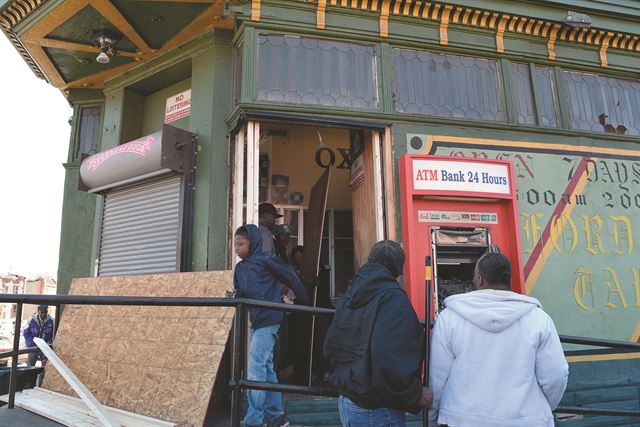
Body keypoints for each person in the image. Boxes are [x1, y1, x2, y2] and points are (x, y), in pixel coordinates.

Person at [428, 252, 569, 427]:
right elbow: (556, 374)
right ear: (508, 279)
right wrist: (542, 407)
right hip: (526, 420)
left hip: (462, 419)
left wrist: (432, 417)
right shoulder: (539, 318)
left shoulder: (449, 318)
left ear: (479, 279)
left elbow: (437, 377)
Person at [324, 240, 433, 426]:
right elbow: (389, 357)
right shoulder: (393, 299)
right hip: (377, 408)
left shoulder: (352, 294)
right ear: (399, 270)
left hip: (349, 399)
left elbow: (331, 344)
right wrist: (414, 393)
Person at [233, 224, 308, 427]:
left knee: (255, 366)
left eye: (240, 244)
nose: (237, 249)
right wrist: (233, 296)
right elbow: (240, 292)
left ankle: (253, 420)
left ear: (253, 242)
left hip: (270, 317)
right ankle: (276, 416)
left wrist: (303, 299)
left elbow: (290, 275)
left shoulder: (267, 259)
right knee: (265, 368)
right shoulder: (240, 268)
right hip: (256, 320)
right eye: (235, 245)